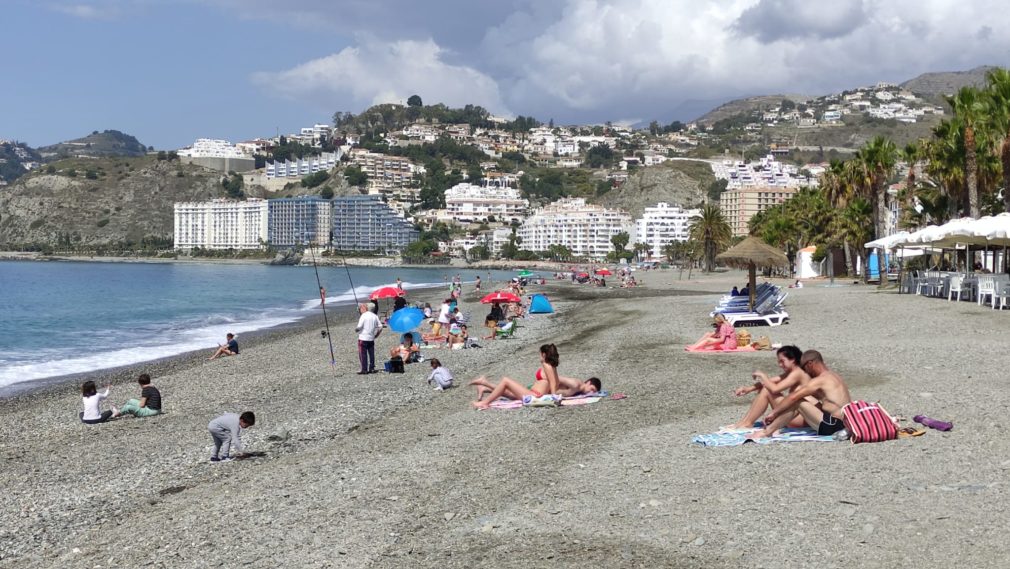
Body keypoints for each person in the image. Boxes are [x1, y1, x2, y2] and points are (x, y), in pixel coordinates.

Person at [751, 350, 853, 439]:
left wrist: (774, 413)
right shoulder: (834, 376)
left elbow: (793, 397)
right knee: (805, 397)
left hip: (833, 426)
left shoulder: (820, 380)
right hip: (844, 423)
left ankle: (767, 432)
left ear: (810, 364)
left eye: (804, 368)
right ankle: (778, 425)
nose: (805, 372)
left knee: (797, 402)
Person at [728, 345, 809, 430]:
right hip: (796, 414)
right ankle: (744, 422)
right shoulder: (792, 372)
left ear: (793, 360)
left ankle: (747, 423)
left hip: (800, 418)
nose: (780, 365)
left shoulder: (797, 373)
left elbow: (775, 389)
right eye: (779, 362)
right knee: (766, 388)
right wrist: (749, 389)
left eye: (782, 361)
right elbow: (770, 381)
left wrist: (763, 375)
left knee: (767, 390)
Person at [470, 344, 560, 409]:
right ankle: (484, 384)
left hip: (534, 396)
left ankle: (485, 403)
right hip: (533, 393)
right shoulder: (552, 366)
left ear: (543, 354)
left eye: (539, 354)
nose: (539, 356)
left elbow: (553, 382)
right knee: (507, 392)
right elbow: (555, 382)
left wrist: (553, 397)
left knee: (506, 381)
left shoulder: (546, 365)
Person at [355, 302, 383, 374]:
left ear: (367, 308)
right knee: (371, 354)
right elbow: (380, 327)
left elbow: (359, 326)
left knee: (362, 354)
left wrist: (356, 330)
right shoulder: (375, 316)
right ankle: (372, 368)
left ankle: (364, 369)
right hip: (371, 338)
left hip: (363, 338)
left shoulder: (363, 315)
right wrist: (377, 335)